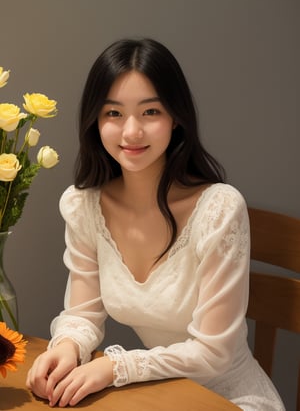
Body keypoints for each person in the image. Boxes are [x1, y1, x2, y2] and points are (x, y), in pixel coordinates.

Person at [26, 38, 285, 410]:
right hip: (160, 395)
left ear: (176, 116)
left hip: (231, 399)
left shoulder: (219, 209)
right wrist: (67, 347)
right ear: (95, 120)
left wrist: (115, 367)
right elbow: (82, 313)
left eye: (150, 112)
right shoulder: (85, 206)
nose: (131, 132)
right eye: (113, 113)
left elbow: (215, 353)